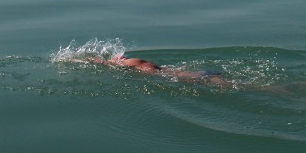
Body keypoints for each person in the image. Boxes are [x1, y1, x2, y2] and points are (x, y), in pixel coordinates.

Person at [91, 54, 234, 88]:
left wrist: (76, 59)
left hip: (192, 77)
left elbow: (106, 63)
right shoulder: (138, 64)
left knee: (237, 86)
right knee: (233, 84)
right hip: (196, 74)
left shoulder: (130, 62)